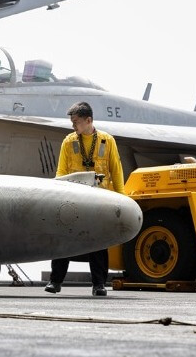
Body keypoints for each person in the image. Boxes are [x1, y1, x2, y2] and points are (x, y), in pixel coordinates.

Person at [45, 102, 125, 296]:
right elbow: (61, 171)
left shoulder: (107, 141)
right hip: (73, 198)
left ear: (88, 120)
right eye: (72, 122)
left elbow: (116, 170)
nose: (73, 126)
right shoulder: (68, 141)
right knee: (63, 239)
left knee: (98, 242)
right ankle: (55, 282)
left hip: (99, 200)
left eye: (76, 122)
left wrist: (121, 199)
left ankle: (99, 285)